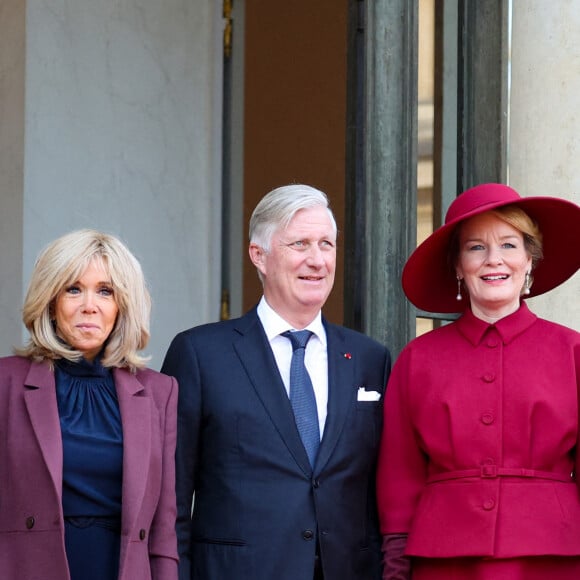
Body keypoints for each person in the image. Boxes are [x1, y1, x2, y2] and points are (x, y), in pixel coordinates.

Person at [162, 183, 391, 580]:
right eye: (300, 244)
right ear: (259, 255)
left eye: (326, 244)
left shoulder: (369, 359)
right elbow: (171, 499)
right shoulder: (200, 354)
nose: (317, 260)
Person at [376, 183, 580, 580]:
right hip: (444, 560)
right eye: (475, 247)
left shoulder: (572, 351)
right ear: (457, 265)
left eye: (508, 245)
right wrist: (396, 565)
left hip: (554, 559)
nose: (493, 260)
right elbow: (399, 476)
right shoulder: (418, 359)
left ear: (529, 260)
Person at [0, 229, 179, 580]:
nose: (89, 306)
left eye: (105, 291)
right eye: (73, 289)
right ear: (50, 301)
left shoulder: (159, 392)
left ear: (121, 305)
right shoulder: (6, 382)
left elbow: (163, 531)